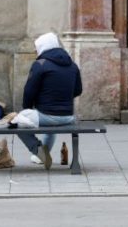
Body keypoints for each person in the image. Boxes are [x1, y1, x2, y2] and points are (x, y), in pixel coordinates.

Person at [17, 32, 82, 170]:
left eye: (37, 48)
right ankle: (42, 155)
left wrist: (27, 110)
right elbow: (78, 90)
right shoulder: (73, 65)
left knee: (17, 123)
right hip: (68, 117)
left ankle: (39, 152)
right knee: (50, 126)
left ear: (43, 47)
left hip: (47, 115)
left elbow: (29, 92)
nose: (36, 51)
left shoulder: (40, 64)